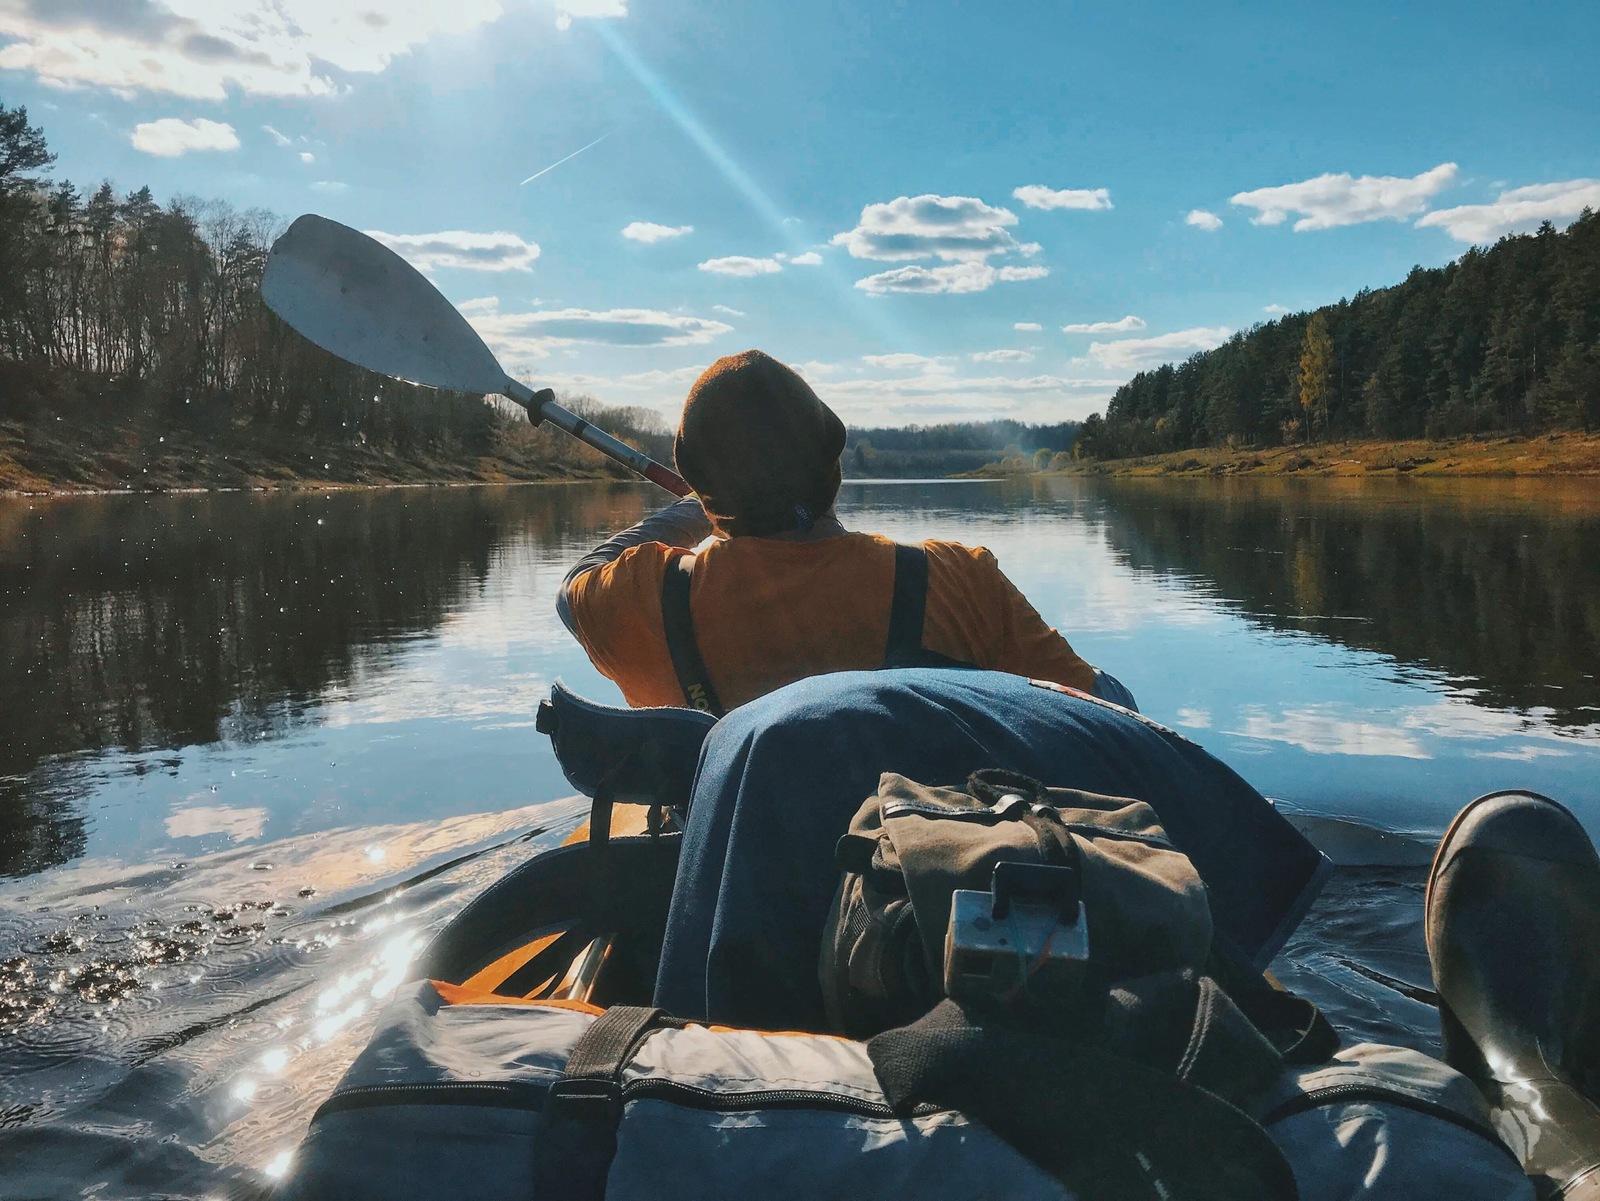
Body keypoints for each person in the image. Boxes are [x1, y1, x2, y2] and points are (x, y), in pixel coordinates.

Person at [556, 349, 1135, 715]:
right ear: (831, 464)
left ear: (703, 484)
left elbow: (572, 590)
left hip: (733, 885)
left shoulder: (649, 597)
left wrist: (693, 509)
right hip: (916, 883)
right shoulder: (959, 578)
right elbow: (1113, 709)